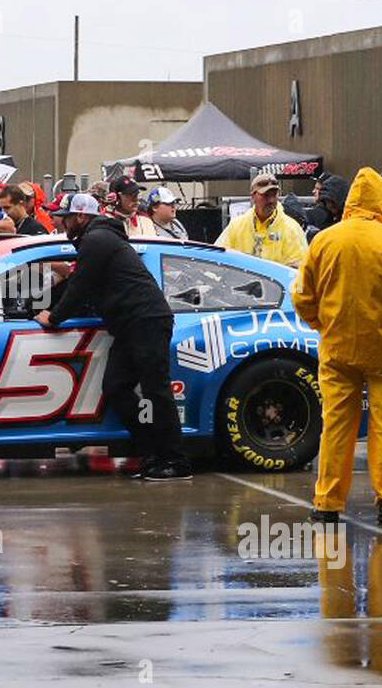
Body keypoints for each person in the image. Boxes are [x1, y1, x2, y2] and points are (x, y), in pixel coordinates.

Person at [292, 168, 382, 524]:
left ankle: (327, 502)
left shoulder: (324, 240)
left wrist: (324, 325)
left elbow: (302, 297)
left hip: (337, 349)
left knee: (337, 423)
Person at [36, 192, 191, 481]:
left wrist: (54, 317)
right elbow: (84, 283)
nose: (60, 222)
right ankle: (151, 452)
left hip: (146, 320)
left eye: (65, 217)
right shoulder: (96, 239)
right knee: (116, 387)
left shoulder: (97, 240)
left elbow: (80, 286)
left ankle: (175, 460)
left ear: (81, 216)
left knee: (156, 390)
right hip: (129, 324)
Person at [216, 173, 308, 265]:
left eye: (274, 195)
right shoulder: (236, 226)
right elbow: (218, 257)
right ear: (253, 197)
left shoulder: (292, 229)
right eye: (266, 195)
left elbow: (299, 268)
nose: (271, 200)